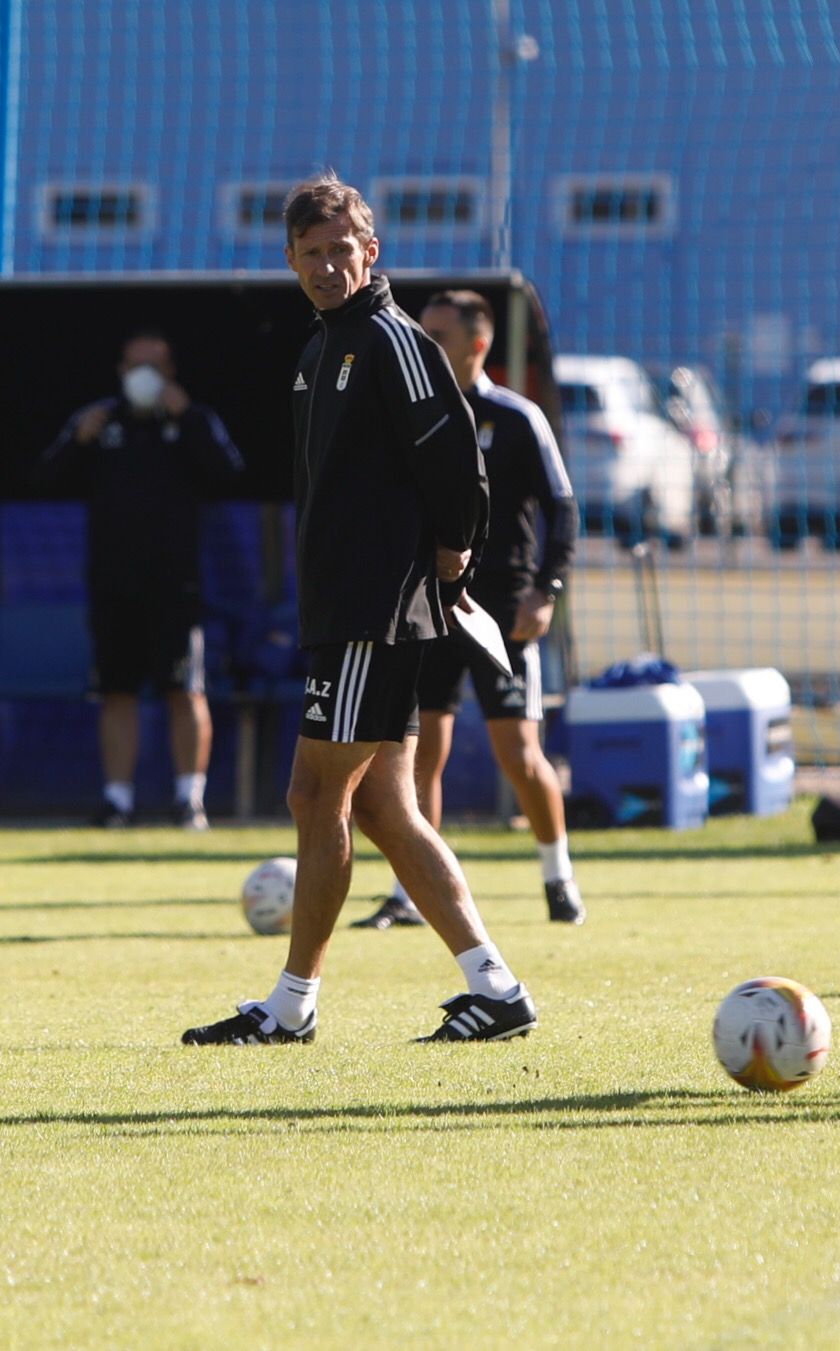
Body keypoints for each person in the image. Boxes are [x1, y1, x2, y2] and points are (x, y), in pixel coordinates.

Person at [182, 172, 535, 1045]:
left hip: (374, 613)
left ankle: (292, 1005)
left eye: (343, 250)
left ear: (370, 251)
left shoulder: (389, 337)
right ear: (291, 260)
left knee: (314, 795)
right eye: (311, 254)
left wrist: (455, 549)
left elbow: (457, 460)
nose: (329, 266)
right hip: (348, 608)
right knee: (383, 807)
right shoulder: (324, 346)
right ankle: (495, 988)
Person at [351, 290, 585, 930]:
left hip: (502, 614)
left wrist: (547, 591)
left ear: (477, 345)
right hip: (426, 608)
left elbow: (562, 508)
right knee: (419, 756)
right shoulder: (408, 416)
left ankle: (558, 876)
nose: (425, 347)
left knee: (519, 754)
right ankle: (409, 894)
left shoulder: (515, 418)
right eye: (420, 334)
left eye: (439, 336)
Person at [33, 331, 244, 829]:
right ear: (121, 372)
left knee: (184, 690)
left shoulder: (194, 420)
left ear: (171, 373)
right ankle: (117, 800)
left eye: (153, 367)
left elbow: (229, 473)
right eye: (134, 367)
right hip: (112, 584)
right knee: (117, 692)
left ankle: (188, 799)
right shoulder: (100, 422)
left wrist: (186, 416)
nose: (143, 376)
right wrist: (76, 440)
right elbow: (44, 478)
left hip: (176, 585)